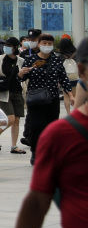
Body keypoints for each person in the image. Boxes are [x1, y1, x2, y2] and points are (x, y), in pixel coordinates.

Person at [6, 36, 88, 228]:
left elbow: (37, 201)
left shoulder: (62, 135)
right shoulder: (62, 136)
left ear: (79, 69)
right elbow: (37, 201)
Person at [19, 32, 77, 164]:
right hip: (35, 99)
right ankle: (35, 152)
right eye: (44, 43)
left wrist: (71, 95)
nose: (47, 46)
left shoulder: (56, 60)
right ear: (39, 44)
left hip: (52, 99)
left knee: (51, 127)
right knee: (36, 126)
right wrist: (21, 73)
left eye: (49, 44)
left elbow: (63, 78)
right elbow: (21, 77)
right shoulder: (30, 59)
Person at [0, 37, 27, 154]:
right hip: (3, 92)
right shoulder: (0, 58)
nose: (6, 47)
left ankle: (14, 146)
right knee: (10, 119)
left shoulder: (21, 60)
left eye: (9, 46)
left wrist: (21, 75)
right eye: (5, 45)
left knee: (16, 120)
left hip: (17, 91)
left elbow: (24, 78)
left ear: (15, 47)